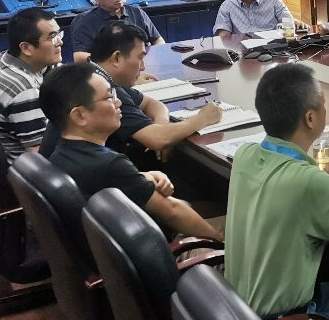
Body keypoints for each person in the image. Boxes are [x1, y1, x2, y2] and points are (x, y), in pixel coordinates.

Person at [224, 64, 329, 320]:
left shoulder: (245, 155)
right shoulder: (308, 183)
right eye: (323, 103)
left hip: (239, 316)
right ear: (310, 118)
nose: (326, 108)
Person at [42, 64, 221, 240]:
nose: (118, 101)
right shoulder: (109, 164)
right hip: (164, 252)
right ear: (79, 115)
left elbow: (105, 180)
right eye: (108, 98)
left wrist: (143, 177)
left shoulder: (61, 153)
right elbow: (173, 212)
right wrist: (220, 242)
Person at [41, 21, 222, 164]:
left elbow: (153, 104)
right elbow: (158, 139)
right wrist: (203, 118)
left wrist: (162, 126)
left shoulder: (93, 74)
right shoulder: (105, 93)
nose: (143, 66)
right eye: (140, 57)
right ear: (117, 58)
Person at [0, 8, 63, 159]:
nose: (60, 42)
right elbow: (40, 156)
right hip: (27, 171)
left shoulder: (4, 58)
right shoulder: (24, 91)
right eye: (52, 37)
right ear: (26, 48)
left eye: (59, 34)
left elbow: (59, 73)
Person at [70, 0, 164, 62]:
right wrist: (114, 61)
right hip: (105, 72)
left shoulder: (137, 13)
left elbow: (158, 40)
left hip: (141, 66)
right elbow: (79, 57)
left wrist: (149, 59)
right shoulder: (85, 22)